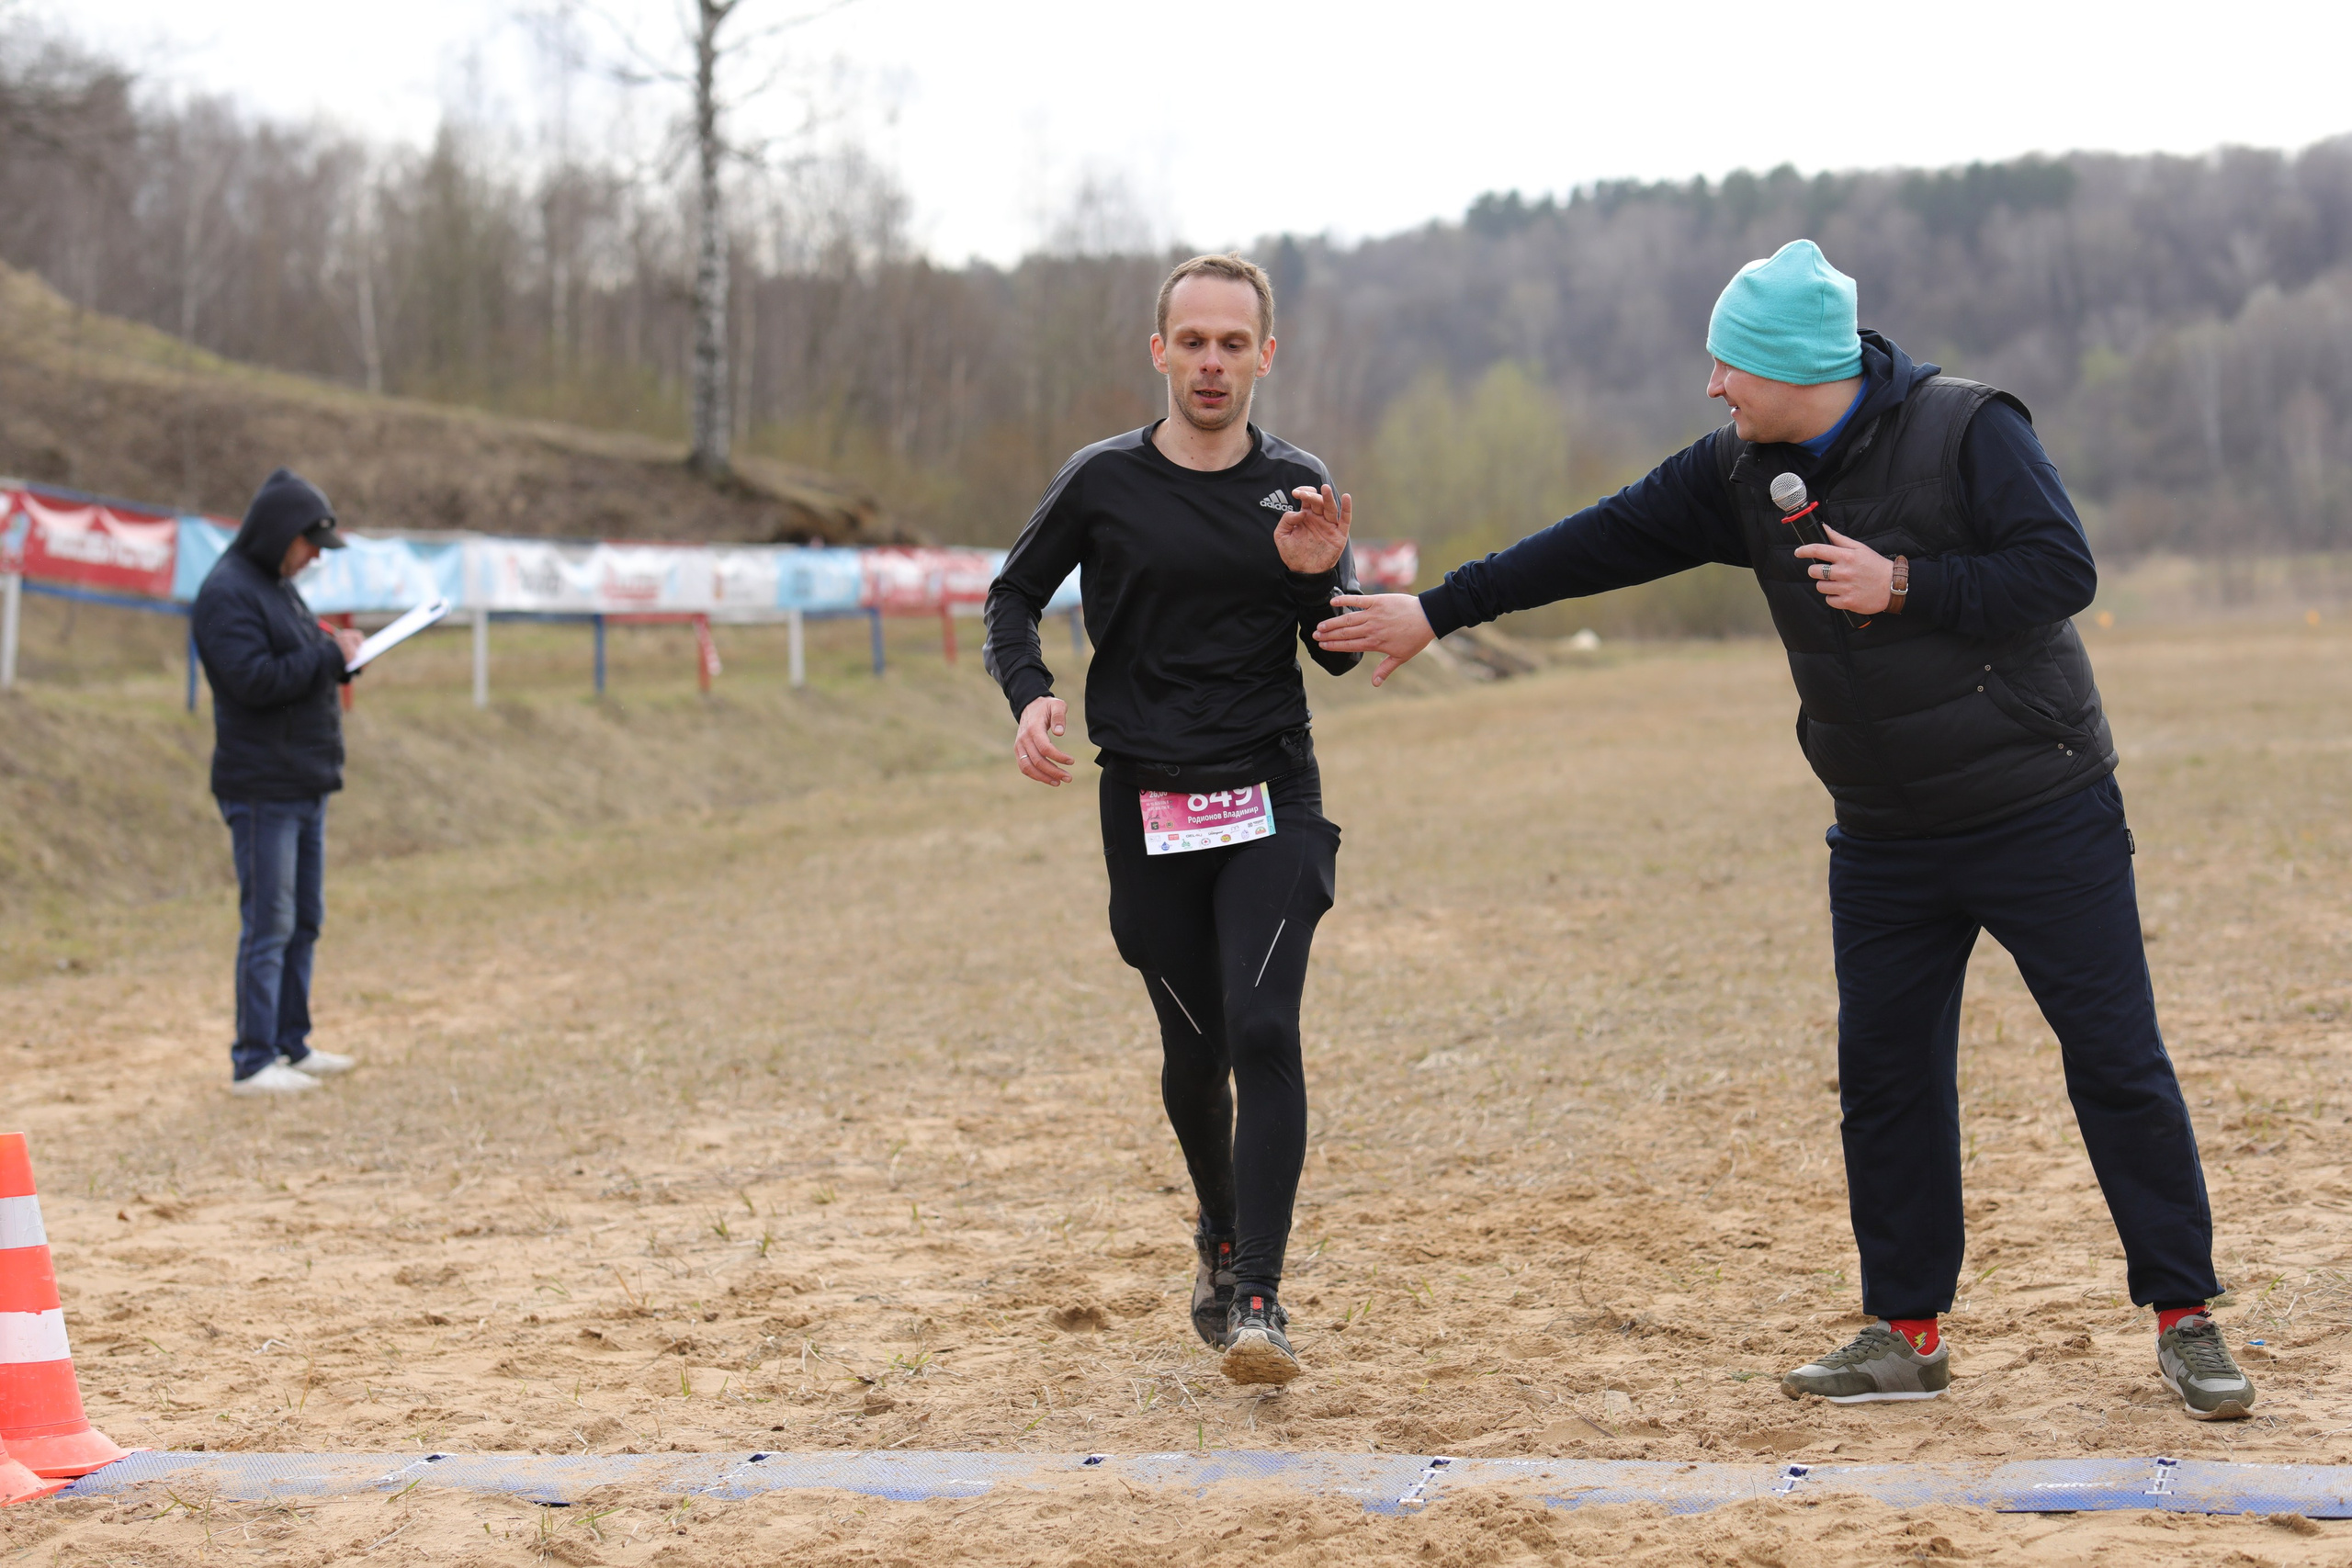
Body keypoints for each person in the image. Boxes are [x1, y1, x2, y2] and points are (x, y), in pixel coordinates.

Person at [1314, 240, 2256, 1420]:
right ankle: (1905, 1335)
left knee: (2115, 1063)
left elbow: (2060, 569)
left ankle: (2187, 1322)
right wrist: (1439, 610)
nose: (1713, 389)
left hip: (2040, 806)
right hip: (1882, 833)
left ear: (1791, 366)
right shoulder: (1736, 471)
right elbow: (1597, 539)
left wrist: (1908, 584)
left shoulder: (1969, 429)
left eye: (1728, 368)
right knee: (1886, 1081)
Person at [984, 254, 1361, 1385]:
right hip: (1144, 797)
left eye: (1232, 344)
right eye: (1191, 342)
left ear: (1264, 357)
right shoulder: (1102, 480)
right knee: (1195, 1049)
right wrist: (1031, 694)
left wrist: (1315, 581)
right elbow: (1011, 595)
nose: (1210, 363)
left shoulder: (1296, 482)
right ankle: (1218, 1226)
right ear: (1159, 352)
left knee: (1261, 1029)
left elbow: (1332, 653)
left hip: (1268, 794)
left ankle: (1260, 1300)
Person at [190, 468, 365, 1097]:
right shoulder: (227, 593)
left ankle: (291, 1042)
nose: (315, 556)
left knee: (304, 919)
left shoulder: (273, 585)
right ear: (279, 534)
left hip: (303, 779)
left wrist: (339, 654)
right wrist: (328, 656)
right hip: (263, 787)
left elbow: (299, 659)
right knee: (269, 922)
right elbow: (253, 680)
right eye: (309, 543)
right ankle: (253, 1058)